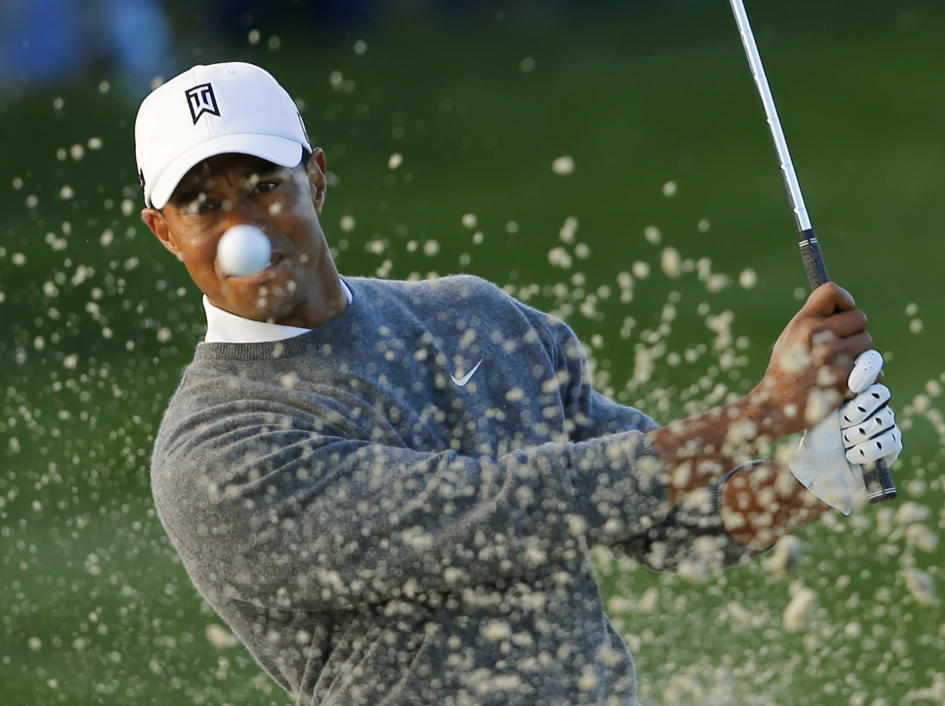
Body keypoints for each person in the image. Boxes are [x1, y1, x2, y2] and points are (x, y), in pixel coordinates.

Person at [135, 62, 902, 705]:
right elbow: (497, 514)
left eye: (265, 184)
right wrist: (759, 412)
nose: (244, 227)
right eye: (203, 204)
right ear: (163, 231)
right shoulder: (214, 451)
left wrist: (821, 473)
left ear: (316, 176)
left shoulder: (473, 318)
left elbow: (679, 524)